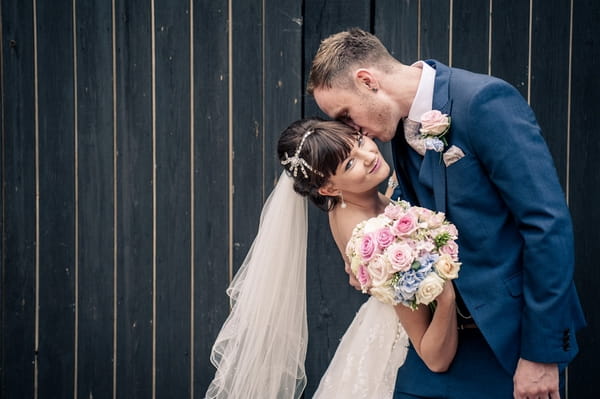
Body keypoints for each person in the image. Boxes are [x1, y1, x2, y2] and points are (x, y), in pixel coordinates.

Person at [307, 27, 586, 399]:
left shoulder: (484, 101)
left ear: (367, 81)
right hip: (440, 344)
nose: (352, 131)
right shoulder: (399, 127)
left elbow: (546, 225)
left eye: (346, 114)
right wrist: (370, 258)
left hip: (514, 342)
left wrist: (541, 353)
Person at [205, 117, 458, 399]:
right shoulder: (374, 243)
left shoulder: (353, 202)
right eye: (349, 164)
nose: (369, 156)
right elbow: (434, 358)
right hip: (402, 354)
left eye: (360, 142)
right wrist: (446, 296)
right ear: (328, 188)